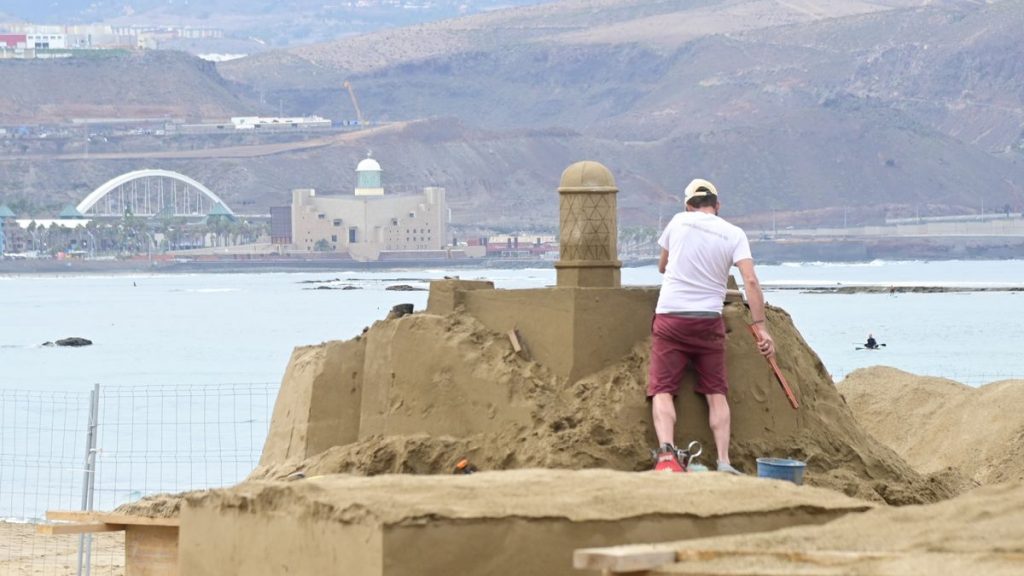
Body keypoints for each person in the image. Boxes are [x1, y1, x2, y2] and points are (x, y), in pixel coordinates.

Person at [648, 178, 774, 474]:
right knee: (716, 391)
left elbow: (662, 267)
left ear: (688, 206)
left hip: (671, 317)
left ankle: (667, 456)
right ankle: (724, 461)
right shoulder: (734, 234)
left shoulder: (678, 221)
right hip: (708, 320)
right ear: (717, 206)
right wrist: (761, 326)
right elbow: (751, 281)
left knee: (663, 389)